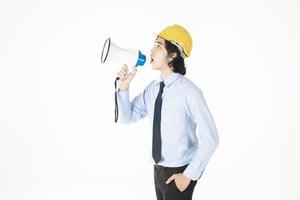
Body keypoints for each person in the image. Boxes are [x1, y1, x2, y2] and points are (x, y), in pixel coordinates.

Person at [116, 24, 219, 200]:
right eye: (153, 45)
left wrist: (188, 176)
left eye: (158, 45)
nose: (151, 50)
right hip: (157, 170)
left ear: (173, 54)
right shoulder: (153, 89)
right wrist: (124, 88)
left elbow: (211, 138)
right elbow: (126, 117)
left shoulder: (190, 92)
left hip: (180, 171)